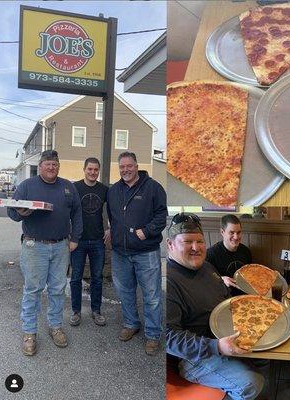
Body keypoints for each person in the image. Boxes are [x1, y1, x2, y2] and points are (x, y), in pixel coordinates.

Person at [166, 213, 265, 400]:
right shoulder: (168, 280)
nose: (196, 248)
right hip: (195, 357)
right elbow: (168, 336)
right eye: (187, 242)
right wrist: (216, 346)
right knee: (252, 383)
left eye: (200, 241)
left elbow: (225, 298)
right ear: (170, 245)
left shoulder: (206, 267)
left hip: (223, 336)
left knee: (265, 355)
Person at [7, 150, 82, 355]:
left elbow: (77, 213)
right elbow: (11, 211)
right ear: (40, 166)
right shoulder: (27, 186)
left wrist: (75, 238)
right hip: (34, 246)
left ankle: (55, 327)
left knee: (58, 289)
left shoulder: (68, 187)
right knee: (33, 290)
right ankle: (29, 333)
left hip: (60, 246)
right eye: (48, 164)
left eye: (55, 164)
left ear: (59, 166)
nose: (51, 167)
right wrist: (20, 213)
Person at [107, 151, 167, 356]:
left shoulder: (153, 188)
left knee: (152, 296)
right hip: (120, 253)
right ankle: (131, 323)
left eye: (129, 166)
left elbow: (162, 216)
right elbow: (112, 218)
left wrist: (148, 231)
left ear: (136, 165)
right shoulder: (113, 191)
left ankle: (152, 335)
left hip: (146, 252)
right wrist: (112, 234)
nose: (125, 170)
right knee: (125, 292)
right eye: (122, 167)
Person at [69, 157, 109, 327]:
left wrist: (110, 228)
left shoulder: (104, 190)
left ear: (98, 171)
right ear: (84, 169)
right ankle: (76, 312)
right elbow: (67, 212)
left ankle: (96, 311)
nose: (93, 172)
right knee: (76, 278)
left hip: (98, 240)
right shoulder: (74, 188)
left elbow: (113, 210)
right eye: (90, 169)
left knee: (97, 278)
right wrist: (69, 236)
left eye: (95, 170)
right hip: (78, 241)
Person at [206, 214, 252, 292]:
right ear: (222, 232)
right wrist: (221, 279)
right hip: (221, 295)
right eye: (232, 232)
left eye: (238, 232)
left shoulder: (246, 251)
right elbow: (206, 278)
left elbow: (250, 275)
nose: (236, 237)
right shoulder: (211, 253)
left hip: (244, 294)